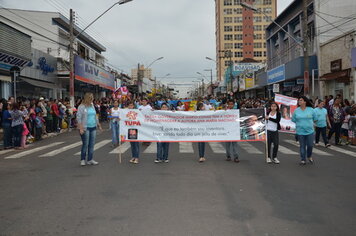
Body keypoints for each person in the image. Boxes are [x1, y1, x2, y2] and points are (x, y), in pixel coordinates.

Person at [77, 93, 102, 166]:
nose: (92, 99)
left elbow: (95, 116)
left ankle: (90, 159)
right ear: (88, 98)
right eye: (91, 98)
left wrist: (98, 124)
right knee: (85, 144)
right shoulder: (81, 107)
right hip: (85, 128)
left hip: (93, 127)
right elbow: (78, 118)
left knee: (92, 144)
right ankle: (82, 159)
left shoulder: (92, 106)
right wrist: (81, 128)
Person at [292, 96, 317, 165]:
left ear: (305, 102)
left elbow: (315, 119)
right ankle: (303, 159)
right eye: (299, 100)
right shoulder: (296, 110)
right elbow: (293, 119)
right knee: (302, 146)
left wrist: (311, 124)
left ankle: (309, 156)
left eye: (301, 100)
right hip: (300, 131)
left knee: (310, 145)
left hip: (310, 131)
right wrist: (300, 124)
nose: (299, 101)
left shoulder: (311, 110)